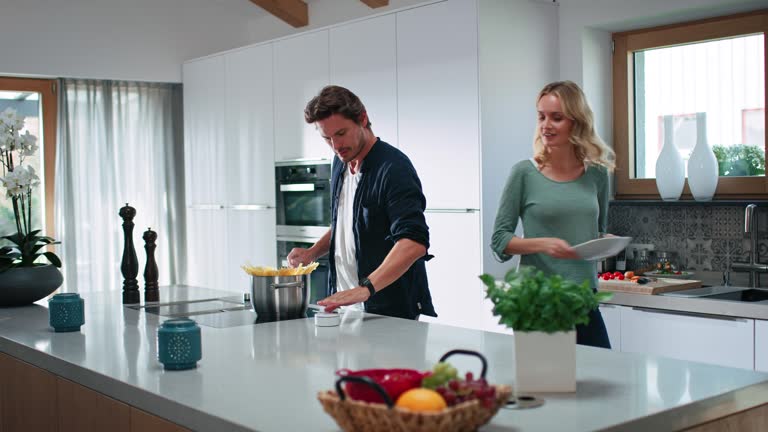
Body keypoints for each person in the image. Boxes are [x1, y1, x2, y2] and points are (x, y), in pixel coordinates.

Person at [287, 85, 436, 320]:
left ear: (363, 119)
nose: (336, 146)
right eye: (327, 138)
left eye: (341, 133)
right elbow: (346, 225)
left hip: (388, 310)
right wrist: (313, 252)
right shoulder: (340, 163)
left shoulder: (394, 168)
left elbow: (414, 242)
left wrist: (366, 288)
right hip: (344, 306)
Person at [490, 80, 615, 348]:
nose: (546, 125)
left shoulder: (597, 174)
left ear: (577, 122)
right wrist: (542, 244)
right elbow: (499, 242)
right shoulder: (524, 173)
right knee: (546, 383)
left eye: (556, 118)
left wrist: (607, 242)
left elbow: (597, 231)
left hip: (584, 296)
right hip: (538, 299)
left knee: (601, 377)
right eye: (541, 117)